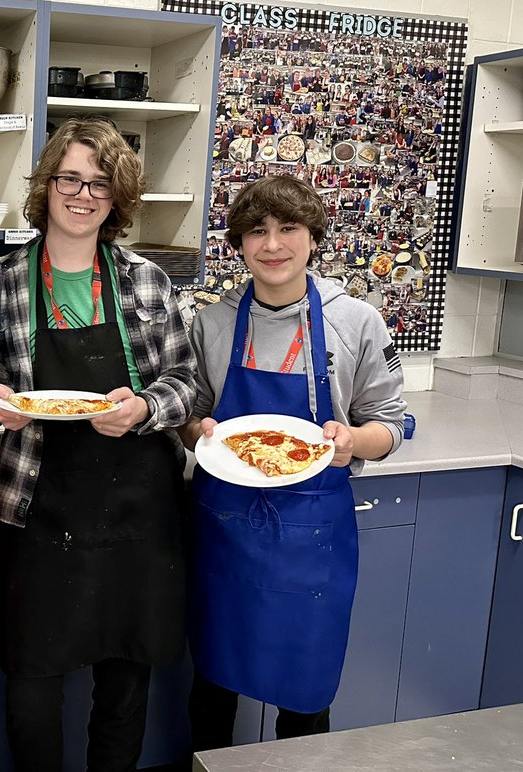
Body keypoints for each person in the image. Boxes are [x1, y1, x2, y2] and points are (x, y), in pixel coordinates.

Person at [0, 118, 196, 772]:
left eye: (99, 185)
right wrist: (0, 411)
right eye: (70, 179)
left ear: (117, 200)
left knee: (124, 685)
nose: (82, 195)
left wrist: (143, 407)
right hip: (37, 510)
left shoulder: (146, 281)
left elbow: (190, 384)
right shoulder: (0, 284)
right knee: (30, 686)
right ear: (46, 186)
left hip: (137, 514)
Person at [178, 174, 407, 749]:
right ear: (238, 245)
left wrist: (354, 440)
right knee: (212, 686)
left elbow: (394, 421)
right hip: (223, 533)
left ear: (313, 238)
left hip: (312, 544)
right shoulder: (213, 322)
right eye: (256, 231)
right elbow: (193, 415)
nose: (273, 245)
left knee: (305, 698)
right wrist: (195, 430)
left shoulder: (354, 320)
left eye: (288, 229)